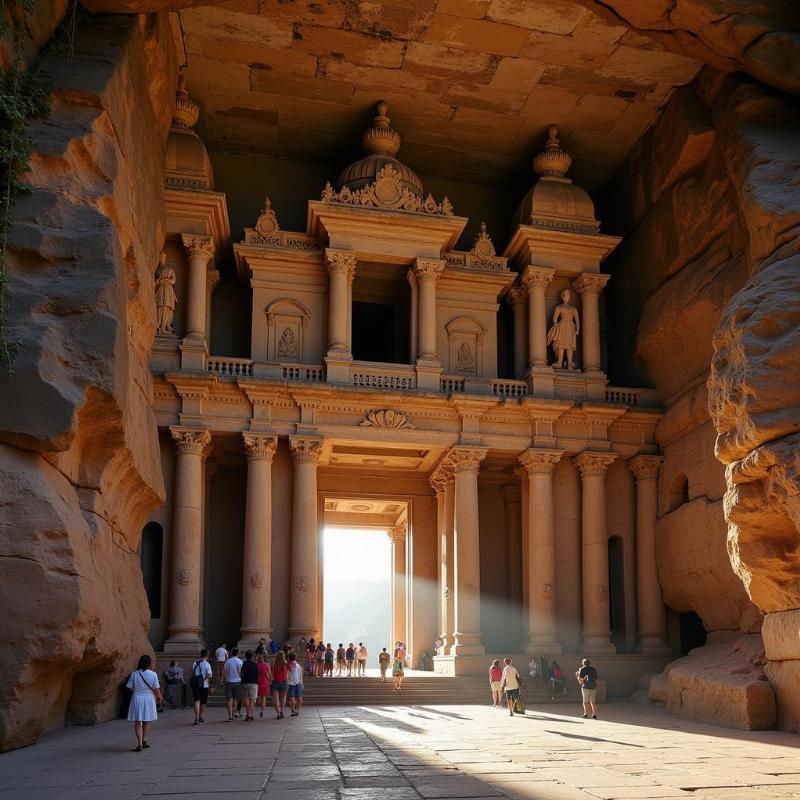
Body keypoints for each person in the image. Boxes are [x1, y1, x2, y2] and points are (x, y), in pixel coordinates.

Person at [126, 654, 162, 752]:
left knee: (138, 722)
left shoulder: (134, 674)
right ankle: (144, 739)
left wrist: (137, 690)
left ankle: (140, 744)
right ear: (149, 664)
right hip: (148, 698)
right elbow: (156, 689)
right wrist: (159, 698)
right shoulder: (153, 674)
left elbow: (129, 687)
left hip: (137, 698)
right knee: (146, 721)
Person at [190, 649, 212, 725]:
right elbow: (209, 675)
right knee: (203, 702)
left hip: (195, 684)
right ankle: (200, 716)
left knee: (196, 701)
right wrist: (207, 683)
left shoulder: (195, 663)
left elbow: (193, 673)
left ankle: (196, 718)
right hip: (204, 685)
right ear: (207, 655)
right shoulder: (207, 664)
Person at [223, 646, 243, 721]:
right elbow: (241, 673)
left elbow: (224, 672)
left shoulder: (228, 661)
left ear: (231, 653)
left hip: (229, 681)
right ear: (237, 653)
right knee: (235, 700)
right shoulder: (240, 662)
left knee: (229, 699)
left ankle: (230, 716)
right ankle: (234, 713)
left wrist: (224, 680)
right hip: (237, 682)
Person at [271, 649, 288, 719]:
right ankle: (281, 710)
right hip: (284, 682)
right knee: (283, 698)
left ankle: (278, 713)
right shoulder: (286, 663)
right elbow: (287, 674)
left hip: (275, 682)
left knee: (276, 699)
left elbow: (272, 673)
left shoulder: (274, 664)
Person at [286, 652, 304, 716]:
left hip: (291, 683)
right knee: (299, 698)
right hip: (299, 683)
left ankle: (293, 710)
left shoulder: (287, 665)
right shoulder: (298, 666)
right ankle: (297, 710)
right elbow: (301, 675)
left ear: (289, 658)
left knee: (292, 697)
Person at [256, 652, 272, 718]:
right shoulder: (267, 664)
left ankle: (252, 709)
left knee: (257, 697)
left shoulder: (256, 665)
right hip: (264, 682)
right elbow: (269, 674)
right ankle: (262, 710)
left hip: (257, 683)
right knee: (263, 698)